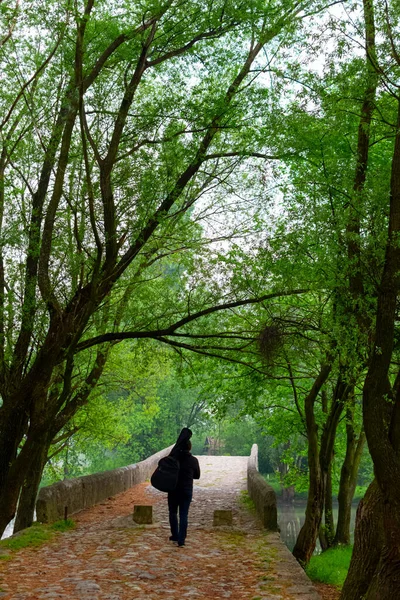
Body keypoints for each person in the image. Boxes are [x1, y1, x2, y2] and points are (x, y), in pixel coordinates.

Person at [168, 428, 200, 547]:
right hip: (186, 490)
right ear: (190, 448)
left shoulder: (173, 458)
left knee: (172, 512)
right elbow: (197, 476)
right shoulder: (193, 460)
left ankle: (174, 535)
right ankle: (181, 539)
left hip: (173, 489)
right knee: (183, 514)